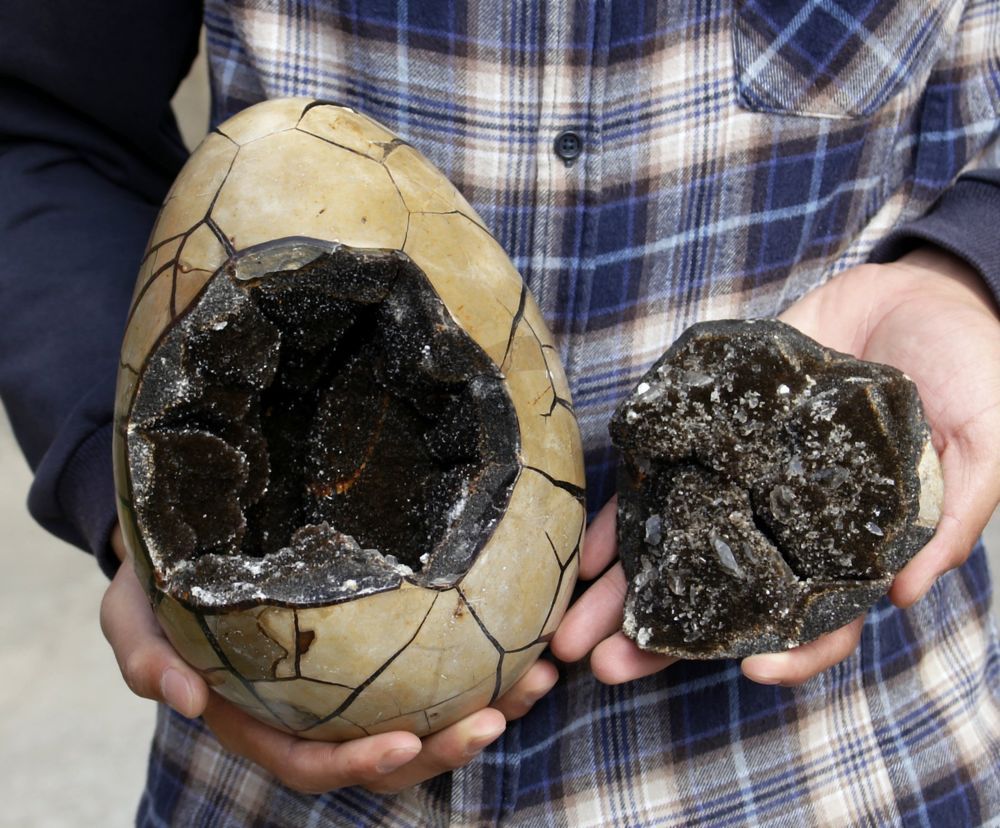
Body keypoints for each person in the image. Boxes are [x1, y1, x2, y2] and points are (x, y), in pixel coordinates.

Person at [2, 1, 999, 824]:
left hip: (847, 755)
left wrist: (970, 274)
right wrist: (123, 468)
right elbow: (36, 117)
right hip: (272, 751)